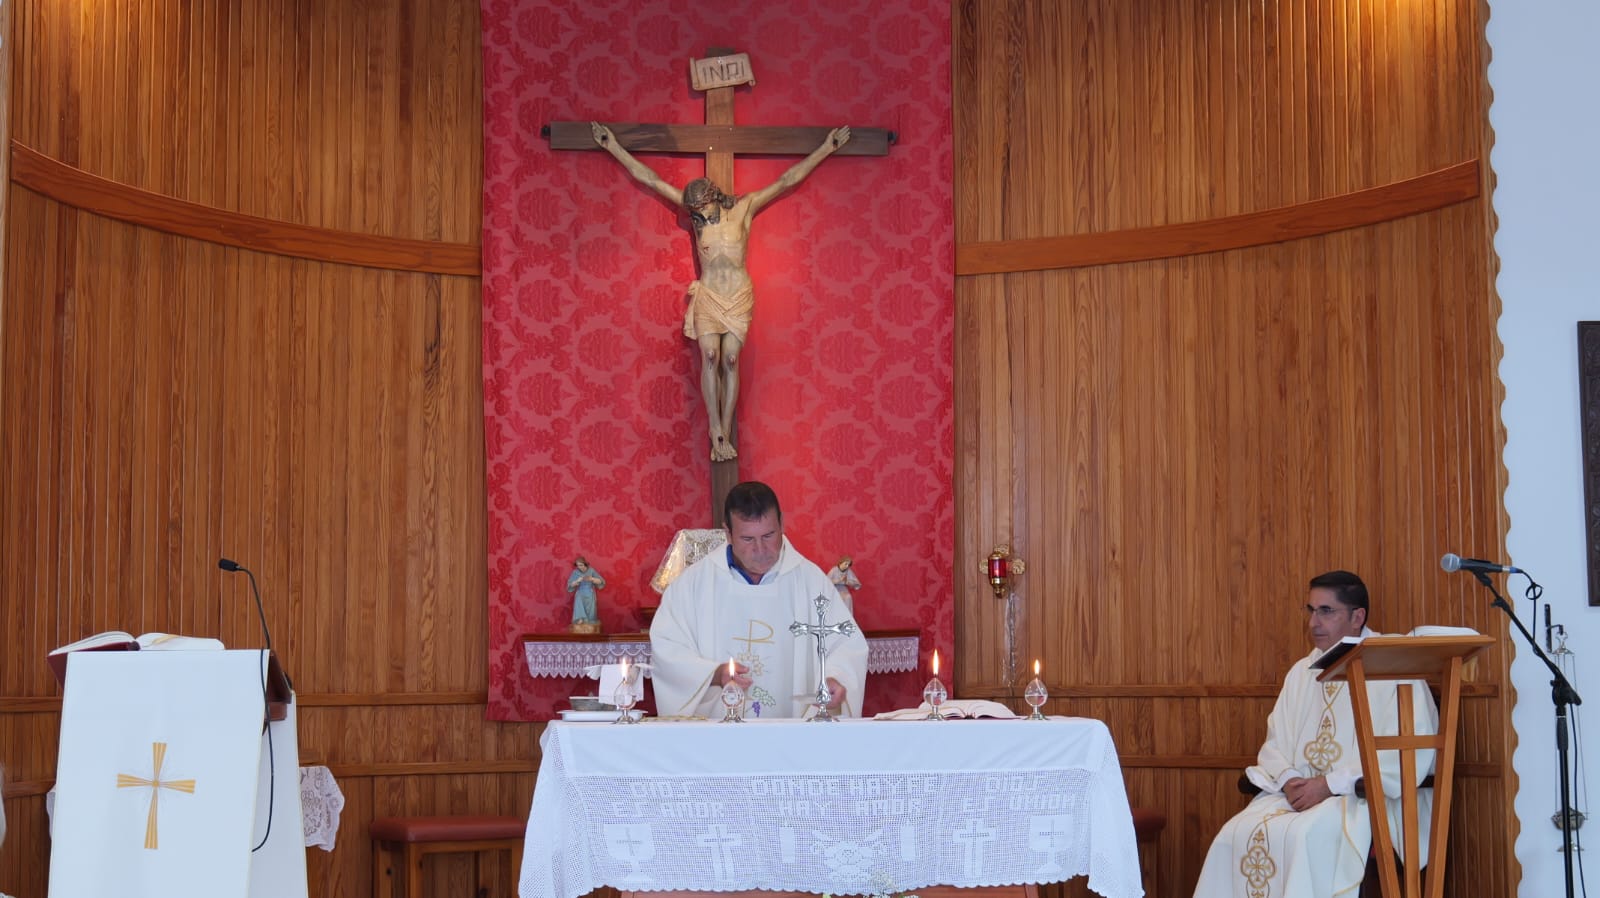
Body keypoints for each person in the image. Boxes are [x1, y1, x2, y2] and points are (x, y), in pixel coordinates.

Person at [591, 122, 851, 461]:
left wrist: (827, 148)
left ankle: (725, 429)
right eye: (695, 213)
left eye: (704, 211)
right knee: (710, 356)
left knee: (730, 359)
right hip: (710, 297)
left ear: (714, 198)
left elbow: (786, 180)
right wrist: (613, 147)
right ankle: (715, 428)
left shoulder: (743, 209)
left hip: (738, 295)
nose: (700, 218)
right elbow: (652, 180)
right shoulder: (699, 217)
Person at [1192, 570, 1439, 898]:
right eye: (1310, 610)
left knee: (1306, 836)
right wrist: (1290, 779)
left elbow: (1407, 758)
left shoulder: (1393, 668)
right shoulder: (1302, 672)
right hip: (1299, 796)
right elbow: (1275, 742)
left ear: (1357, 616)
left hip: (1362, 800)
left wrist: (1328, 785)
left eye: (1326, 611)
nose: (1313, 622)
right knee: (1233, 833)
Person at [650, 481, 868, 718]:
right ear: (728, 534)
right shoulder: (693, 584)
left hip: (790, 736)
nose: (760, 549)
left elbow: (846, 644)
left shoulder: (810, 581)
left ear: (782, 524)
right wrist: (713, 674)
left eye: (768, 535)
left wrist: (834, 677)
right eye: (747, 539)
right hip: (718, 737)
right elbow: (667, 647)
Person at [566, 557, 605, 629]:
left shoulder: (591, 571)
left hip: (589, 593)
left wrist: (592, 579)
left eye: (581, 565)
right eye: (578, 565)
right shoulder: (575, 572)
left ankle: (589, 621)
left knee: (590, 612)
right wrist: (577, 581)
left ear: (585, 564)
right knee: (578, 602)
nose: (579, 567)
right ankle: (580, 619)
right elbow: (570, 585)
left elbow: (601, 581)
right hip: (580, 592)